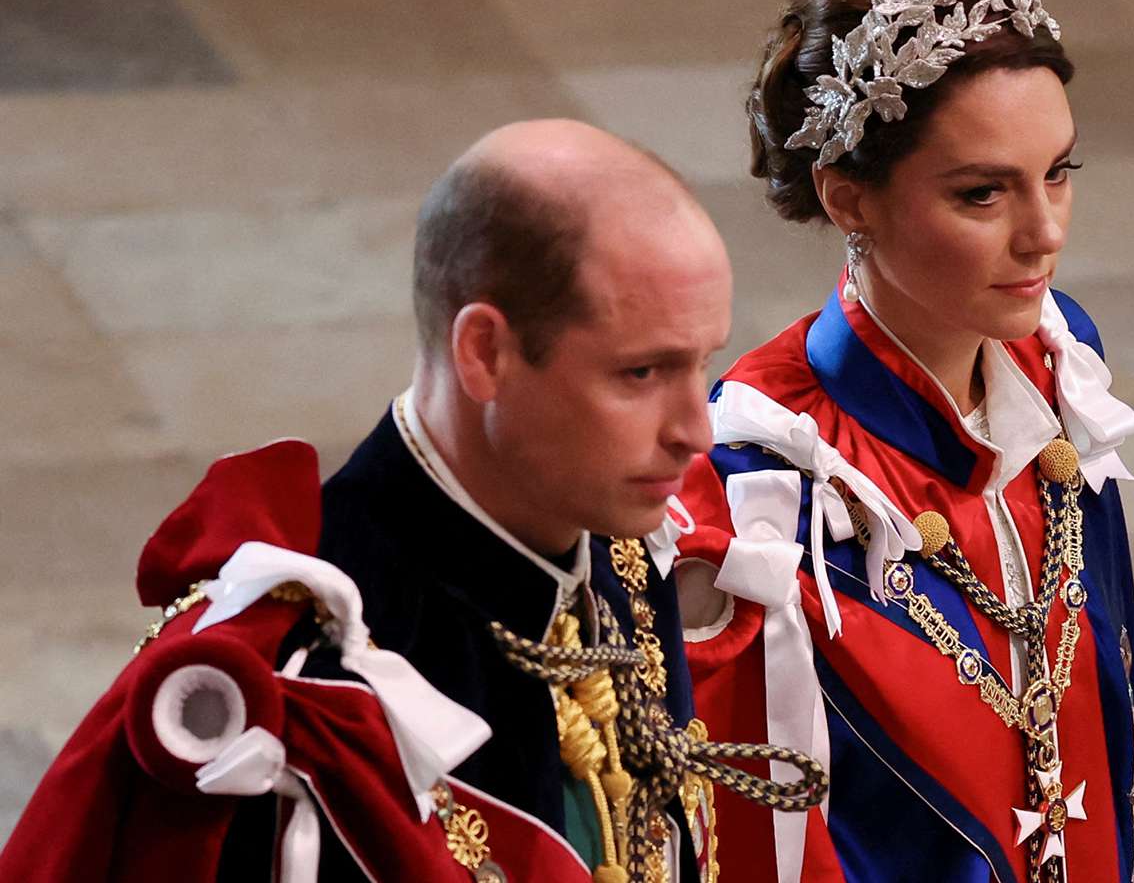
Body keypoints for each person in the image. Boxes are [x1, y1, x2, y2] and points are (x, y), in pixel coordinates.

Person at [0, 120, 823, 882]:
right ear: (485, 353)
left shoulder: (620, 546)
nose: (694, 430)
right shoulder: (305, 696)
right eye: (641, 373)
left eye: (701, 362)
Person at [674, 0, 1134, 883]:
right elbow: (755, 834)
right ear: (848, 198)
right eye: (984, 195)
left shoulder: (1062, 367)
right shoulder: (765, 480)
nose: (1044, 234)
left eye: (1059, 173)